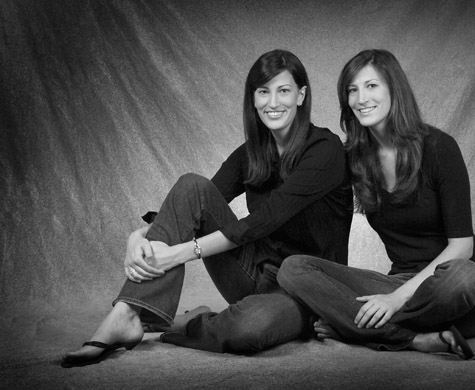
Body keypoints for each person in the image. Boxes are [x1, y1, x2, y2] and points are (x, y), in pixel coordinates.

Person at [61, 49, 353, 367]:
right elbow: (196, 202)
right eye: (263, 92)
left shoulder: (326, 150)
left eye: (283, 91)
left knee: (247, 330)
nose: (273, 103)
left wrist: (182, 252)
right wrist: (141, 234)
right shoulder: (252, 153)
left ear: (301, 95)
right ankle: (126, 314)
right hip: (254, 274)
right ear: (252, 100)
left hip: (303, 290)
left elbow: (262, 222)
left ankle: (186, 321)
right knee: (193, 185)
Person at [277, 49, 475, 360]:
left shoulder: (439, 147)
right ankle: (416, 340)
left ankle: (354, 325)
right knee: (294, 269)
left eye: (371, 86)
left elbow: (461, 247)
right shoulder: (353, 158)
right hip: (399, 279)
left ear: (394, 89)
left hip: (457, 288)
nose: (360, 98)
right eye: (352, 90)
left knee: (463, 277)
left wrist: (393, 300)